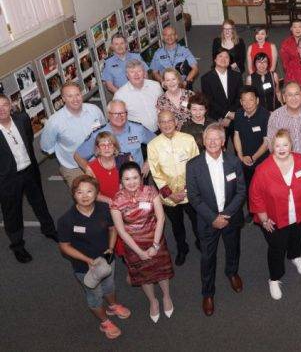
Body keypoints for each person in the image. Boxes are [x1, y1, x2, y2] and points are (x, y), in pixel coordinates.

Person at [249, 129, 301, 300]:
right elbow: (255, 195)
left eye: (285, 145)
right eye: (278, 145)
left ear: (291, 145)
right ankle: (274, 278)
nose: (281, 149)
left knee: (297, 236)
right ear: (272, 147)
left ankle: (295, 256)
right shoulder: (263, 169)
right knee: (277, 247)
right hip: (275, 218)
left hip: (300, 211)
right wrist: (264, 218)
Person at [57, 176, 130, 339]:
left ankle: (113, 306)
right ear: (73, 194)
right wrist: (88, 260)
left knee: (109, 285)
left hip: (107, 259)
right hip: (84, 267)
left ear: (96, 193)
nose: (85, 196)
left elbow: (112, 228)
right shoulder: (66, 220)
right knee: (94, 295)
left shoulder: (104, 209)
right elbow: (64, 246)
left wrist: (110, 248)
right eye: (79, 192)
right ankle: (105, 322)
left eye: (89, 191)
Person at [186, 124, 247, 316]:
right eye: (208, 139)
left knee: (233, 248)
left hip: (231, 218)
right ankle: (208, 292)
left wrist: (226, 215)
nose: (212, 142)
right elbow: (194, 197)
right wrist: (213, 218)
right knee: (207, 257)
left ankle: (232, 272)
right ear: (203, 141)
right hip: (207, 221)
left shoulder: (233, 161)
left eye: (216, 138)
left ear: (223, 142)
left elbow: (241, 191)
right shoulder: (193, 165)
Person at [110, 162, 174, 323]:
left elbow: (161, 218)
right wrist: (139, 252)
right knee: (144, 275)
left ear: (141, 177)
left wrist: (155, 245)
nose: (131, 182)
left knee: (162, 271)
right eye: (127, 179)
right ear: (121, 181)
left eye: (135, 178)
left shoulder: (150, 191)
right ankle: (153, 301)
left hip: (156, 240)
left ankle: (166, 296)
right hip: (133, 246)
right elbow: (121, 231)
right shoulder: (116, 201)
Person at [0, 94, 58, 262]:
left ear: (10, 105)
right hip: (7, 180)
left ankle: (49, 230)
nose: (1, 109)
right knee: (12, 214)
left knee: (40, 203)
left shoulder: (23, 119)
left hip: (30, 171)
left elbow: (29, 138)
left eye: (4, 105)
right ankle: (18, 246)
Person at [147, 111, 201, 266]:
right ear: (158, 124)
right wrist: (170, 194)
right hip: (168, 196)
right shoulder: (152, 145)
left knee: (197, 220)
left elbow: (196, 166)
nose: (167, 124)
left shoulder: (188, 139)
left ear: (176, 122)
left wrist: (186, 191)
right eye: (163, 122)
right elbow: (156, 174)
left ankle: (201, 242)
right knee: (177, 225)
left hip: (189, 192)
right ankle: (182, 248)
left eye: (170, 121)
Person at [40, 82, 106, 187]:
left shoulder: (94, 110)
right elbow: (46, 147)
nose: (75, 99)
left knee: (104, 190)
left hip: (99, 160)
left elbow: (103, 132)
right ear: (63, 99)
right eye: (70, 96)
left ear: (81, 94)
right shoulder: (54, 122)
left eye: (77, 94)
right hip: (74, 168)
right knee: (84, 196)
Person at [74, 99, 155, 172]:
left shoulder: (138, 129)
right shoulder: (98, 135)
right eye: (115, 113)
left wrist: (148, 163)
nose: (119, 116)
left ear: (126, 114)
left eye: (122, 113)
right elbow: (78, 156)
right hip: (111, 179)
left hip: (135, 177)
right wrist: (91, 173)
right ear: (108, 115)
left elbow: (156, 142)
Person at [266, 82, 301, 168]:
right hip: (284, 166)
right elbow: (271, 143)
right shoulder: (275, 117)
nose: (294, 98)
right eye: (290, 95)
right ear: (284, 98)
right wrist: (288, 163)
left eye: (297, 94)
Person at [232, 87, 270, 188]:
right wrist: (241, 156)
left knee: (262, 188)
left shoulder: (265, 115)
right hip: (244, 159)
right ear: (241, 102)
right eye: (244, 100)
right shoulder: (239, 114)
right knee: (246, 187)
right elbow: (236, 135)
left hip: (261, 160)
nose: (247, 103)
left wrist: (253, 158)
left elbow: (267, 142)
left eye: (251, 99)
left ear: (257, 100)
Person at [201, 48, 243, 135]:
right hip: (217, 119)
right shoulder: (206, 78)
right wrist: (226, 114)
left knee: (240, 143)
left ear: (230, 60)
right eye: (220, 56)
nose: (223, 59)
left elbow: (240, 97)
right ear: (215, 59)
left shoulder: (237, 76)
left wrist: (229, 116)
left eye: (226, 57)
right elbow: (209, 101)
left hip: (235, 117)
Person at [114, 60, 164, 132]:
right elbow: (117, 120)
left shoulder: (156, 86)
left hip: (162, 130)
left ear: (144, 72)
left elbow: (164, 107)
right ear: (127, 75)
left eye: (139, 71)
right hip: (138, 135)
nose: (136, 75)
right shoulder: (120, 95)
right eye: (132, 72)